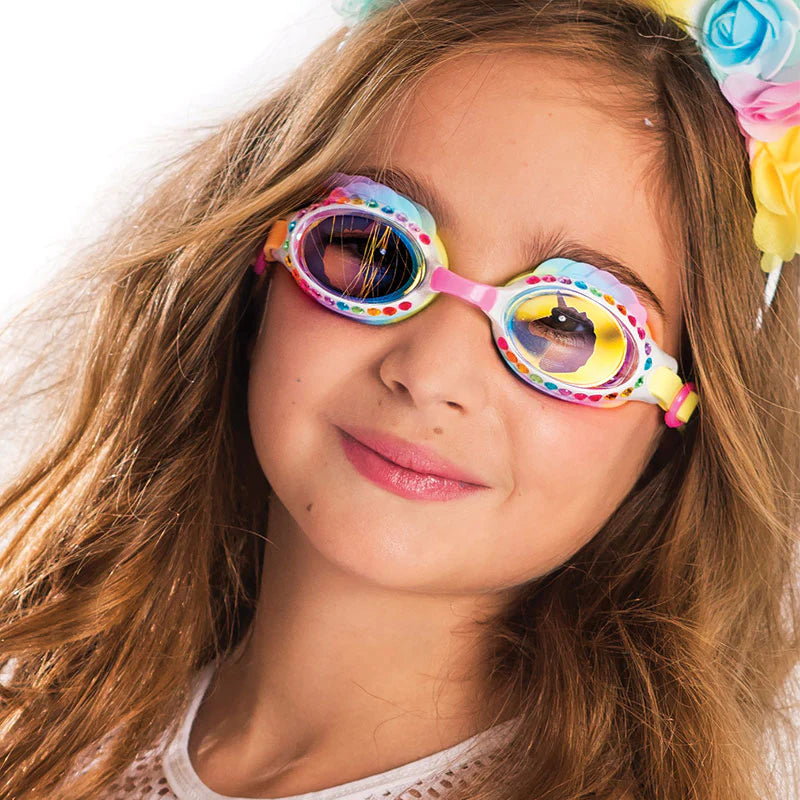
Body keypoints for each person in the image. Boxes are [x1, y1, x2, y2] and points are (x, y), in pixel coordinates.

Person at [0, 0, 798, 798]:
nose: (431, 373)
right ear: (258, 266)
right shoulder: (35, 719)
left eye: (567, 325)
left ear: (683, 417)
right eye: (376, 247)